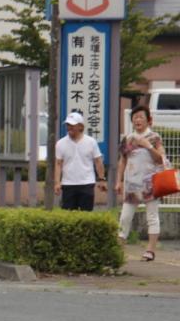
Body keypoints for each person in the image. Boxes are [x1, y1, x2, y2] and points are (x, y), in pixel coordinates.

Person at [115, 105, 167, 261]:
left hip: (151, 184)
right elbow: (122, 161)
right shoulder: (128, 139)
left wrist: (148, 146)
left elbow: (161, 159)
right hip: (132, 185)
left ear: (148, 120)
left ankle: (150, 250)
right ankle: (118, 250)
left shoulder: (155, 137)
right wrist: (119, 181)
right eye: (135, 117)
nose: (137, 120)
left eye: (141, 117)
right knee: (125, 217)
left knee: (152, 216)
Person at [54, 111, 106, 212]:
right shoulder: (60, 143)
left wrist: (102, 179)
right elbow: (58, 164)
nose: (69, 127)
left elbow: (98, 161)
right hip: (68, 184)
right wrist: (57, 183)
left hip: (87, 183)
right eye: (68, 125)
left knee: (86, 215)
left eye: (72, 125)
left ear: (80, 126)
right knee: (68, 215)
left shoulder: (91, 142)